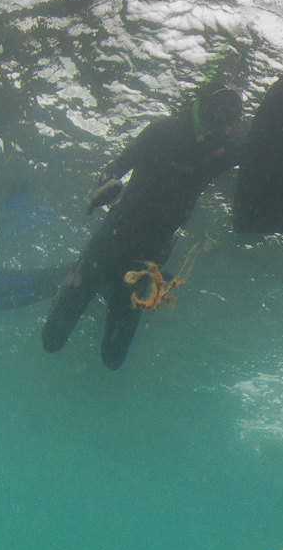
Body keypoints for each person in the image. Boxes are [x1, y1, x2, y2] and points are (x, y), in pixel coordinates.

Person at [41, 82, 241, 369]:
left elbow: (252, 149)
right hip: (111, 242)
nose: (226, 124)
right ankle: (79, 276)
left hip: (147, 259)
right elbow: (118, 165)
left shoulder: (217, 153)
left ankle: (99, 285)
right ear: (207, 106)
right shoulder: (164, 131)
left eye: (233, 119)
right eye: (223, 113)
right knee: (52, 340)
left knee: (113, 359)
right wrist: (107, 183)